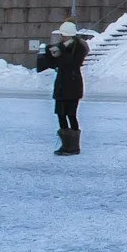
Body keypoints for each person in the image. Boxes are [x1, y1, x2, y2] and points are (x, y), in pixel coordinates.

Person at [34, 22, 91, 156]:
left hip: (73, 85)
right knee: (61, 114)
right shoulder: (62, 48)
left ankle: (74, 145)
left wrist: (60, 49)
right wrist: (48, 53)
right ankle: (66, 144)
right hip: (61, 85)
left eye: (63, 36)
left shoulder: (79, 48)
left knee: (71, 115)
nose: (61, 38)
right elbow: (53, 64)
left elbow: (71, 63)